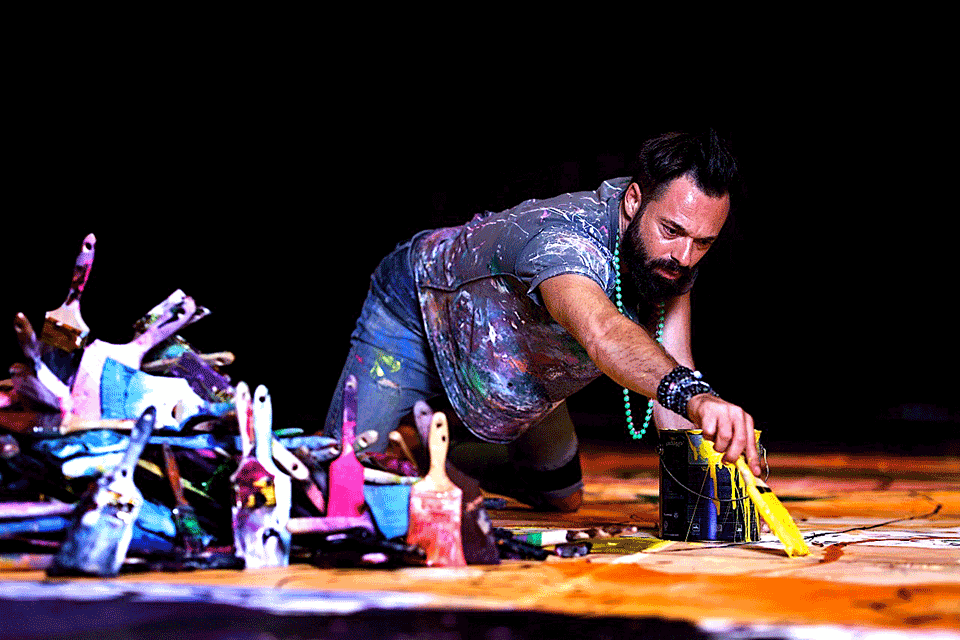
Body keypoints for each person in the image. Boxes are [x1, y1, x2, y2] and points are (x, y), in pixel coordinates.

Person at [323, 130, 760, 512]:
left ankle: (423, 454)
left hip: (516, 361)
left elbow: (675, 369)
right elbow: (603, 332)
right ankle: (394, 450)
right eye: (672, 231)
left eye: (703, 242)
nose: (684, 257)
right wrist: (696, 397)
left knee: (562, 496)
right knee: (339, 486)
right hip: (418, 315)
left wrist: (706, 498)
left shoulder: (669, 260)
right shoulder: (566, 241)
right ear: (633, 201)